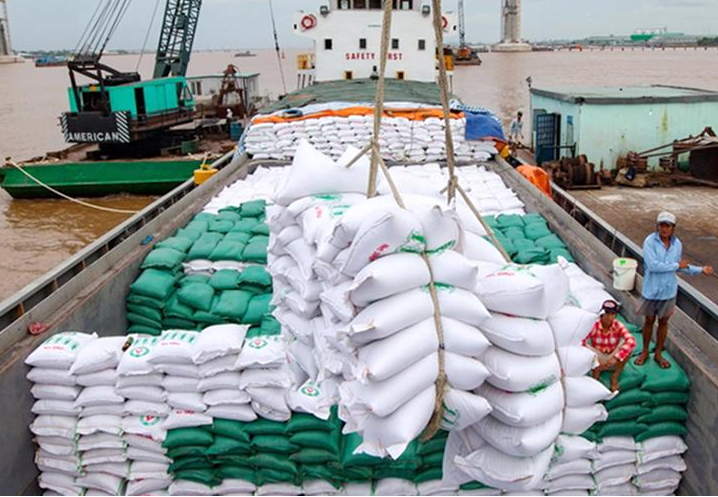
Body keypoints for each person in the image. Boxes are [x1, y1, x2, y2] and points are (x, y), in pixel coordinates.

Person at [635, 211, 714, 368]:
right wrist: (677, 265)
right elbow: (653, 266)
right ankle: (645, 351)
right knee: (649, 321)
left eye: (668, 226)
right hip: (651, 290)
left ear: (673, 228)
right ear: (657, 226)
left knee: (663, 322)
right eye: (662, 225)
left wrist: (700, 269)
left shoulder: (677, 244)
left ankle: (658, 353)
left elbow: (681, 267)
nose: (664, 229)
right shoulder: (650, 242)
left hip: (668, 291)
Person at [582, 299, 636, 391]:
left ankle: (615, 376)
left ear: (615, 315)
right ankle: (596, 371)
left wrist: (616, 357)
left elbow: (631, 341)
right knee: (584, 347)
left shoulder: (618, 325)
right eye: (607, 313)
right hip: (598, 358)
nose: (609, 317)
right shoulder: (594, 325)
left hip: (612, 358)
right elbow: (581, 341)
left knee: (627, 345)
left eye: (612, 314)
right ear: (602, 314)